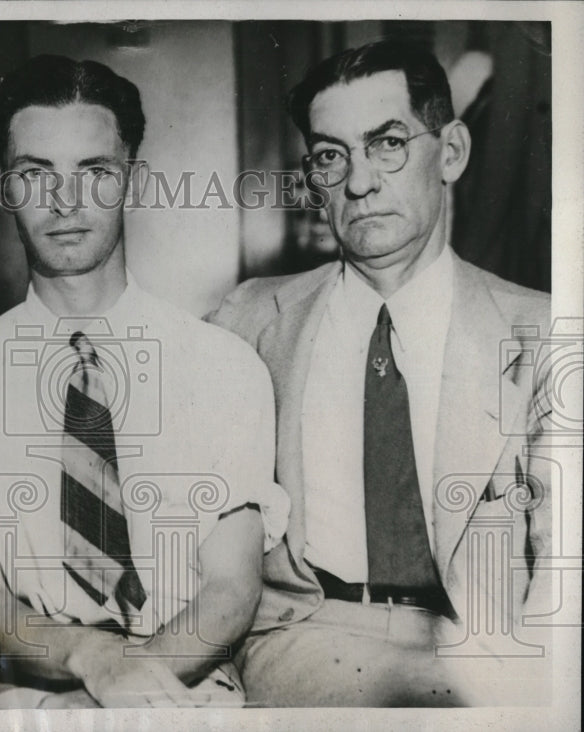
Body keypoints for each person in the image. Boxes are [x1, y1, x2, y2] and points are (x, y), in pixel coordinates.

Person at [0, 55, 290, 709]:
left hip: (186, 678)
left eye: (94, 172)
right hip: (32, 687)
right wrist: (86, 659)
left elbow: (231, 591)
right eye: (35, 173)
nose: (65, 202)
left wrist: (130, 678)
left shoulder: (225, 368)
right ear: (1, 185)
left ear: (134, 180)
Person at [208, 40, 552, 706]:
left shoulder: (545, 335)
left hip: (487, 642)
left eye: (388, 143)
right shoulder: (248, 320)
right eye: (332, 156)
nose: (359, 182)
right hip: (309, 639)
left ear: (451, 152)